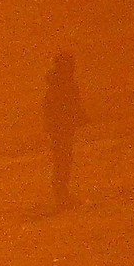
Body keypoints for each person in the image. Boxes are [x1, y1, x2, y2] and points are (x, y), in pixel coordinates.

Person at [42, 52, 86, 207]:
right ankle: (61, 194)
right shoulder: (61, 84)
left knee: (63, 160)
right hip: (61, 128)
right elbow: (57, 107)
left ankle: (62, 192)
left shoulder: (61, 83)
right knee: (62, 160)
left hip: (62, 128)